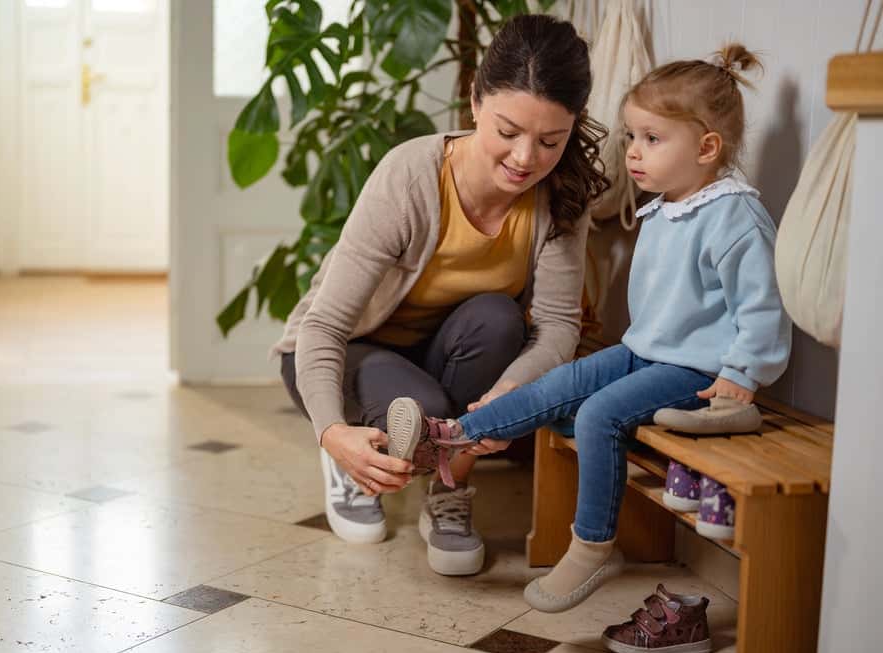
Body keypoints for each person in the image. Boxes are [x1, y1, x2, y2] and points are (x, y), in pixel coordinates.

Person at [385, 44, 791, 608]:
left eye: (652, 139)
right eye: (630, 137)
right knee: (563, 384)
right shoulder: (667, 207)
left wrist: (743, 376)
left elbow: (764, 307)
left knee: (597, 412)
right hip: (646, 352)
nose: (633, 153)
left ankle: (593, 548)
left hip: (699, 371)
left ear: (706, 148)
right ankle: (450, 437)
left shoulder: (734, 216)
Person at [272, 14, 609, 576]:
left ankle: (448, 490)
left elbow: (555, 327)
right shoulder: (410, 176)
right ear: (475, 102)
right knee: (424, 409)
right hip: (346, 350)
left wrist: (509, 396)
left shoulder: (561, 196)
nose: (525, 159)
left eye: (551, 140)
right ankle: (357, 455)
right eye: (507, 132)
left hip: (445, 354)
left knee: (500, 321)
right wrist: (331, 433)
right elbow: (325, 326)